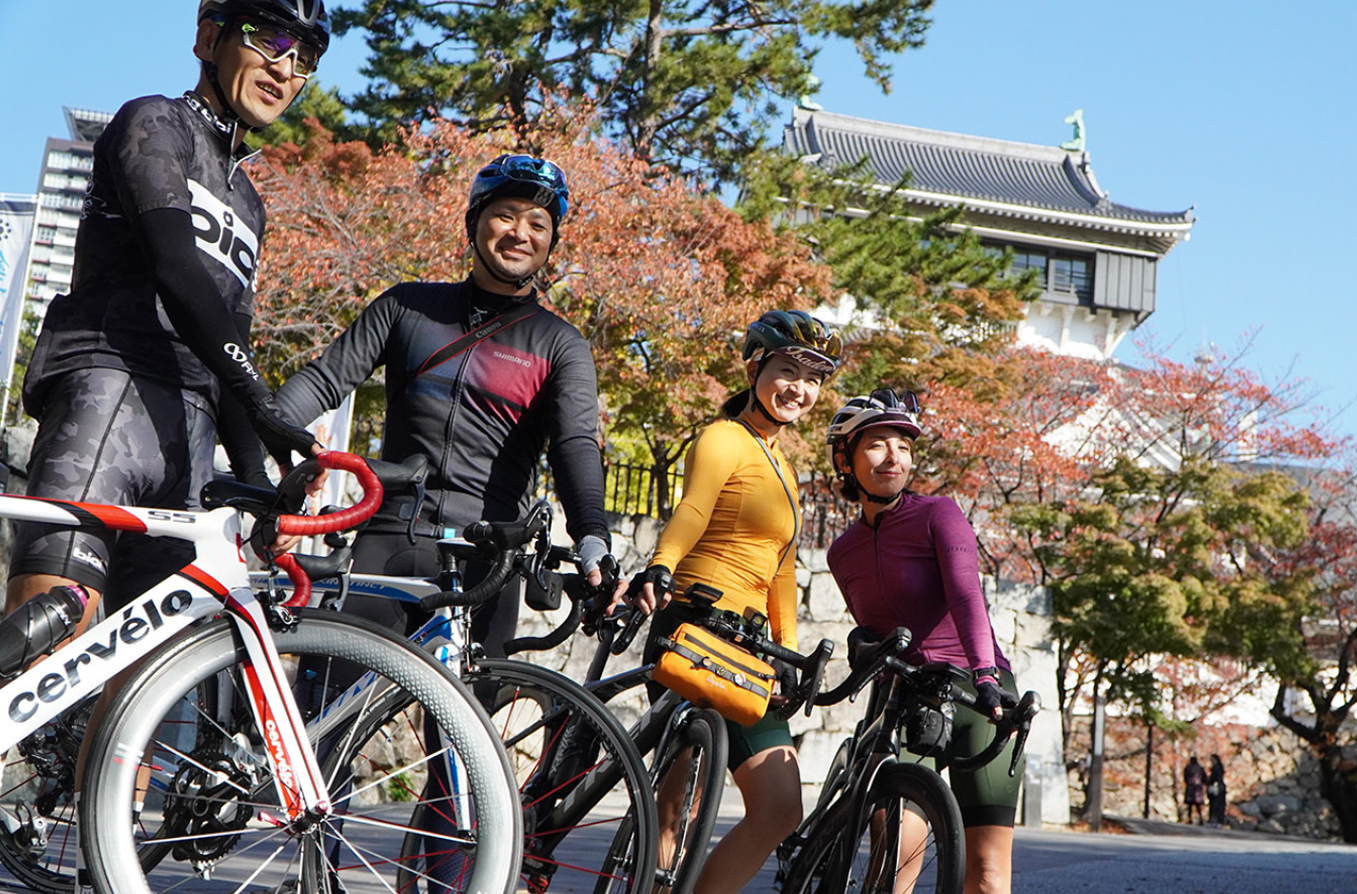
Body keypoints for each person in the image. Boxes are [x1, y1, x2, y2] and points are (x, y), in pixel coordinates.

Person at [7, 0, 326, 635]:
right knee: (44, 640)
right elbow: (174, 264)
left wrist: (257, 476)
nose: (285, 67)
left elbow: (228, 336)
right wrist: (265, 402)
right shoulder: (155, 122)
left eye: (304, 56)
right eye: (268, 38)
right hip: (109, 390)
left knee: (150, 694)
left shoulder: (250, 203)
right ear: (209, 37)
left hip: (194, 437)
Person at [276, 153, 619, 652]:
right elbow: (325, 379)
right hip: (391, 534)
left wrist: (593, 539)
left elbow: (575, 445)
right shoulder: (407, 307)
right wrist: (281, 440)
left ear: (551, 242)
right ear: (473, 223)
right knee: (329, 708)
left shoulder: (558, 343)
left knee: (465, 725)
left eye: (538, 223)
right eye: (505, 215)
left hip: (488, 552)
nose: (520, 233)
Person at [627, 308, 841, 894]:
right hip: (695, 619)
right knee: (678, 805)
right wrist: (662, 566)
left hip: (751, 643)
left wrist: (789, 653)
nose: (800, 387)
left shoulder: (787, 467)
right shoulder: (724, 438)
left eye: (814, 377)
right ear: (754, 367)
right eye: (788, 369)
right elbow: (693, 509)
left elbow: (782, 569)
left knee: (779, 807)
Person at [824, 388, 1022, 894]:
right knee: (892, 864)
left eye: (905, 446)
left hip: (980, 694)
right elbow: (880, 630)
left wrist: (984, 675)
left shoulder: (940, 514)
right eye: (878, 444)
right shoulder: (840, 553)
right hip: (906, 700)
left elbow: (966, 596)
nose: (894, 457)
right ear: (845, 458)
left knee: (987, 873)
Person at [1183, 755, 1208, 824]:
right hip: (1198, 788)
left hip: (1190, 787)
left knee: (1190, 805)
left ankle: (1190, 819)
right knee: (1198, 805)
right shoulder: (1200, 768)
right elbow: (1205, 778)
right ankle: (1201, 819)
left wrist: (1188, 783)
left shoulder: (1188, 768)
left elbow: (1185, 777)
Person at [1208, 753, 1227, 826]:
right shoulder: (1219, 768)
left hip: (1217, 788)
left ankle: (1216, 819)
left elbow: (1215, 779)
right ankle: (1218, 819)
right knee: (1218, 805)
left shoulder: (1216, 768)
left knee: (1215, 805)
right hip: (1220, 788)